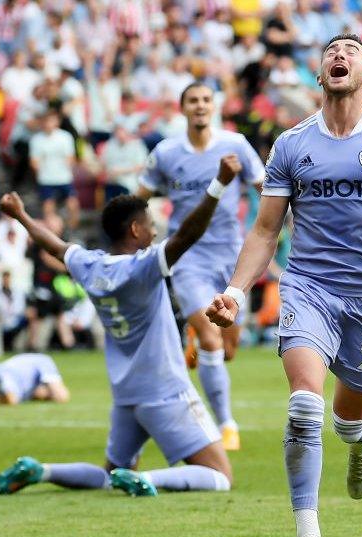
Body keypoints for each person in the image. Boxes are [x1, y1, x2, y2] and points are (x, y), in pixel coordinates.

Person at [206, 34, 362, 537]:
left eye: (351, 51)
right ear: (320, 73)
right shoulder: (291, 144)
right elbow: (265, 230)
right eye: (331, 51)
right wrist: (235, 292)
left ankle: (360, 440)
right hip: (308, 288)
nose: (338, 55)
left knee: (349, 418)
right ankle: (308, 535)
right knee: (304, 405)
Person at [0, 158, 239, 498]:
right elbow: (188, 235)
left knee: (111, 473)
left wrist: (20, 215)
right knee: (221, 476)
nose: (154, 232)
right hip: (165, 390)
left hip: (126, 395)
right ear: (135, 230)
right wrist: (219, 184)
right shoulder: (143, 266)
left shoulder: (90, 265)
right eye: (150, 225)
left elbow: (55, 246)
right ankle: (149, 479)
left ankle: (41, 470)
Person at [139, 82, 265, 452]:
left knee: (228, 348)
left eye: (206, 100)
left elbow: (264, 187)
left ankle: (196, 342)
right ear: (182, 108)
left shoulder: (236, 145)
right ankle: (226, 425)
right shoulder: (166, 153)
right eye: (193, 100)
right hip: (188, 256)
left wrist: (282, 225)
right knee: (212, 338)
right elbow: (140, 196)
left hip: (232, 256)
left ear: (215, 106)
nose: (200, 106)